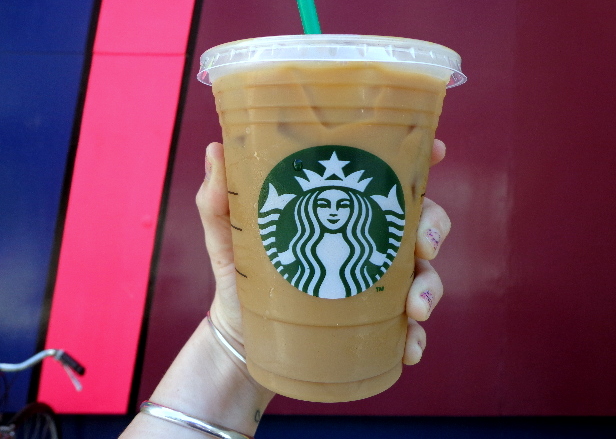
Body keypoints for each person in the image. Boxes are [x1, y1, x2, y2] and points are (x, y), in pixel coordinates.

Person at [120, 140, 451, 439]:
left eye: (343, 204)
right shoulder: (297, 253)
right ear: (308, 209)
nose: (333, 213)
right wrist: (240, 336)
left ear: (357, 208)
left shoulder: (369, 253)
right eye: (323, 205)